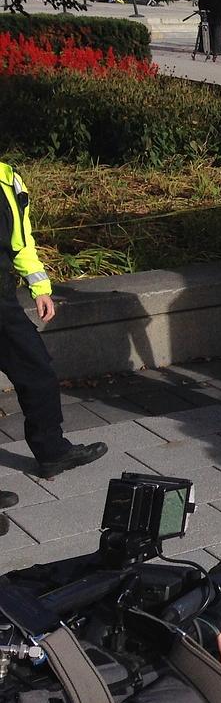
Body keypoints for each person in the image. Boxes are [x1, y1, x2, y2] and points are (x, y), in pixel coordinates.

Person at [0, 159, 108, 511]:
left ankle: (52, 451)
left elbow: (22, 240)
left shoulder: (7, 177)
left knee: (37, 371)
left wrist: (39, 287)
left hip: (2, 298)